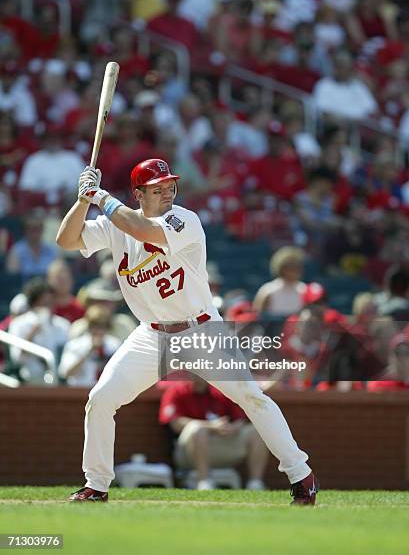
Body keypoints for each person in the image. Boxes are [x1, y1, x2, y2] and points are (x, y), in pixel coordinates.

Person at [56, 158, 318, 504]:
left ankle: (301, 474)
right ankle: (96, 485)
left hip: (201, 330)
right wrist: (83, 200)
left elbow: (144, 231)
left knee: (252, 397)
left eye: (170, 186)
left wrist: (101, 196)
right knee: (101, 399)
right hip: (152, 335)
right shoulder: (114, 224)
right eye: (157, 189)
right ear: (138, 194)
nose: (167, 193)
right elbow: (66, 240)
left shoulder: (183, 219)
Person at [159, 376, 269, 490]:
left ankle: (255, 483)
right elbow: (174, 423)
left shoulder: (220, 391)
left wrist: (233, 427)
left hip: (220, 446)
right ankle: (203, 482)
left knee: (256, 431)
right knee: (199, 429)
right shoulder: (176, 391)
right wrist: (211, 426)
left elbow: (240, 419)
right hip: (187, 452)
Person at [8, 278, 70, 384]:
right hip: (28, 382)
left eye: (51, 302)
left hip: (57, 384)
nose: (48, 307)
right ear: (33, 304)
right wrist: (32, 332)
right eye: (44, 303)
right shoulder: (19, 324)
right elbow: (17, 358)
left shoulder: (63, 325)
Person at [59, 305, 120, 387]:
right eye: (95, 326)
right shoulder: (75, 345)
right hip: (80, 391)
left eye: (103, 326)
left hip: (108, 390)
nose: (99, 330)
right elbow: (65, 373)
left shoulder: (115, 345)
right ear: (89, 326)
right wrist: (89, 352)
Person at [253, 246, 306, 316]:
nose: (296, 270)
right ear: (281, 268)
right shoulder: (268, 291)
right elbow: (256, 317)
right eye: (291, 266)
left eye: (298, 266)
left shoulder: (304, 290)